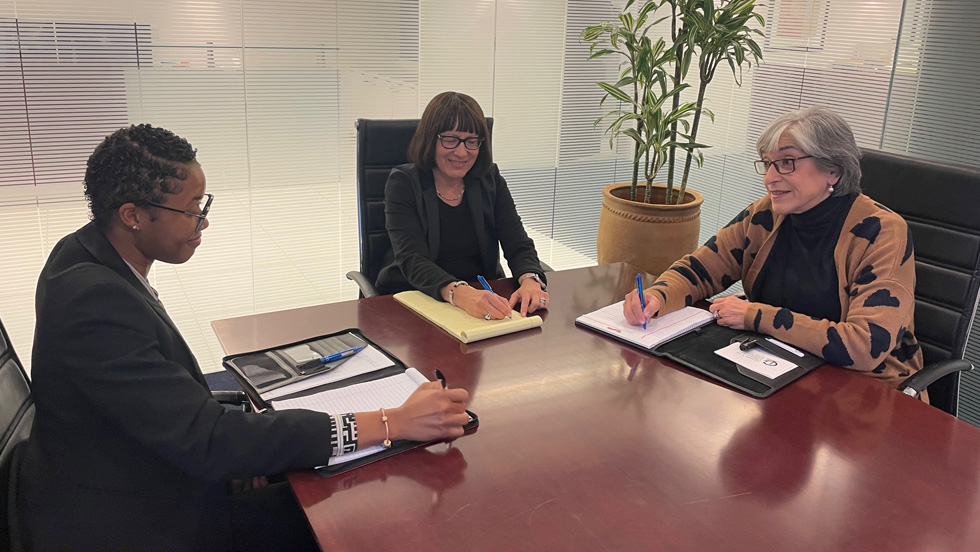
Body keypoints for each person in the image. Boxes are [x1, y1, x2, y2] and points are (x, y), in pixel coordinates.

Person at [19, 124, 471, 552]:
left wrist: (251, 438)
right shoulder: (94, 300)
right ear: (132, 215)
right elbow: (209, 442)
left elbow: (162, 403)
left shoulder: (83, 253)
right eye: (191, 209)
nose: (203, 222)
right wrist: (391, 422)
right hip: (139, 522)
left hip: (148, 472)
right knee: (362, 512)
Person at [623, 106, 923, 390]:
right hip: (773, 368)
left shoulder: (880, 233)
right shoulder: (767, 214)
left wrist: (757, 315)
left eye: (787, 163)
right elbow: (699, 271)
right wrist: (656, 296)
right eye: (768, 164)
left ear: (833, 170)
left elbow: (864, 346)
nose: (769, 178)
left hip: (863, 393)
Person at [375, 91, 550, 319]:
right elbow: (412, 259)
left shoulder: (489, 179)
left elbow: (518, 243)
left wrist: (530, 280)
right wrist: (460, 293)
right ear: (430, 138)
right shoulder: (404, 183)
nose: (461, 151)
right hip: (416, 297)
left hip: (481, 299)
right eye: (450, 139)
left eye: (471, 141)